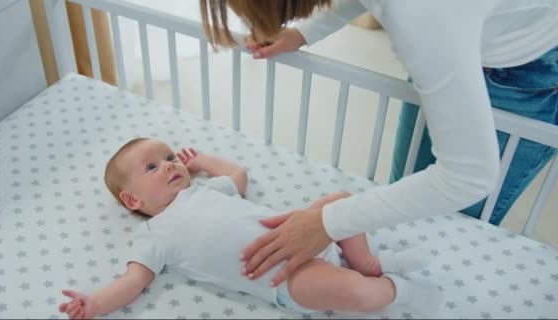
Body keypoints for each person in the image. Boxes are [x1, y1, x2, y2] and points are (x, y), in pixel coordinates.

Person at [199, 0, 558, 287]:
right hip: (461, 34)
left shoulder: (425, 16)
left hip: (527, 65)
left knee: (449, 227)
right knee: (406, 196)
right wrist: (306, 32)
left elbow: (470, 177)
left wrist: (326, 223)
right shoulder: (429, 23)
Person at [58, 137, 437, 319]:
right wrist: (95, 304)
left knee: (341, 200)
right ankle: (395, 291)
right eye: (153, 167)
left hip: (304, 230)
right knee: (355, 294)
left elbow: (237, 174)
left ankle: (367, 262)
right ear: (132, 201)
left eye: (170, 157)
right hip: (286, 278)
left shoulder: (205, 190)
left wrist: (204, 161)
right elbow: (132, 282)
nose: (171, 165)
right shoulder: (155, 236)